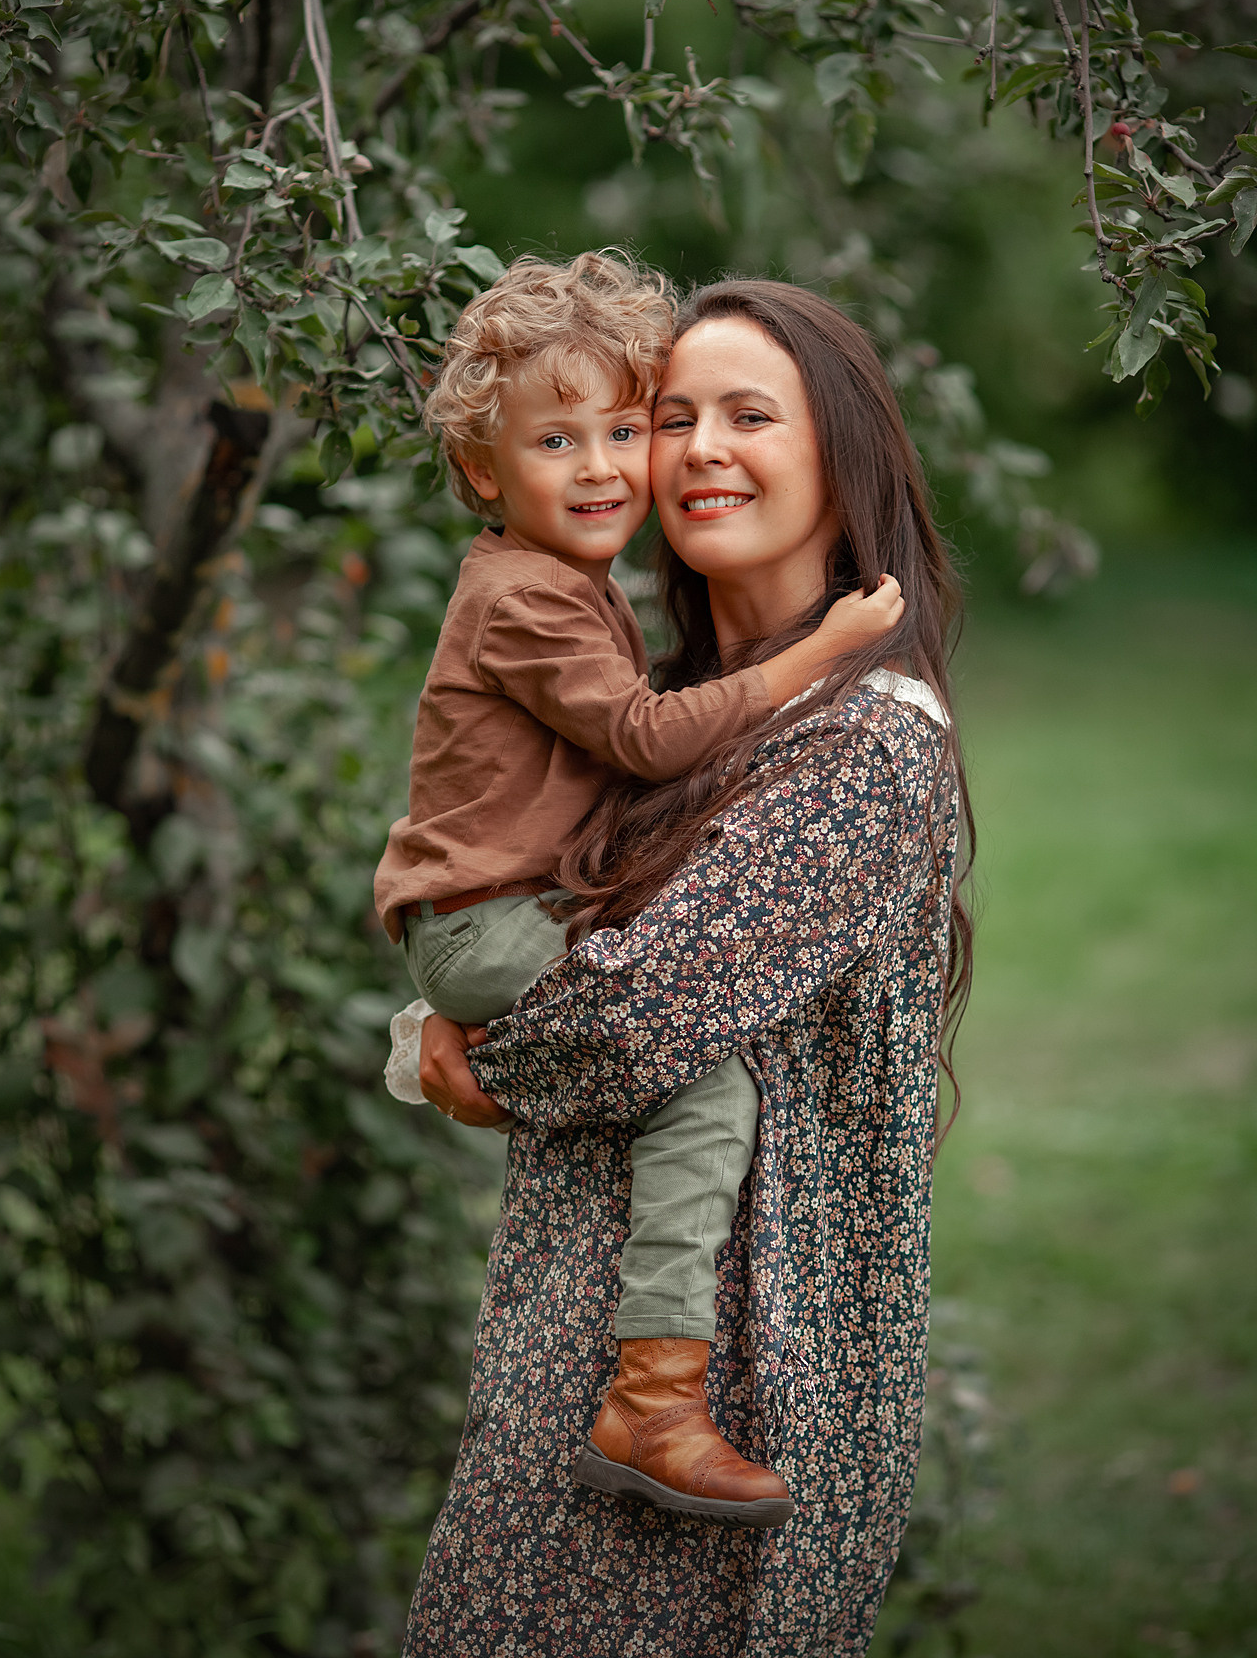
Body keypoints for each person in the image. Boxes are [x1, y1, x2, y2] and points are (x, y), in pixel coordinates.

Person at [406, 279, 973, 1657]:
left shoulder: (865, 742)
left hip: (748, 1363)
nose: (700, 448)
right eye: (673, 418)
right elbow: (541, 911)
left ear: (842, 455)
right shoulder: (656, 707)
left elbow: (629, 1015)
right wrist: (444, 1002)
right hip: (574, 1340)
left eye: (750, 416)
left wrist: (448, 1044)